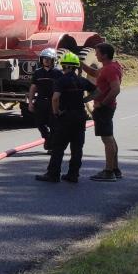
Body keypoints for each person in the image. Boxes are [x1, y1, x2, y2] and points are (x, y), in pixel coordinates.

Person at [37, 51, 96, 183]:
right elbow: (97, 91)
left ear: (63, 66)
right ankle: (73, 174)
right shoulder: (82, 80)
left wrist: (56, 112)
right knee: (77, 148)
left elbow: (55, 98)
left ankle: (53, 174)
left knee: (58, 148)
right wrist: (85, 100)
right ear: (76, 66)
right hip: (80, 118)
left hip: (65, 118)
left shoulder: (60, 81)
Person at [84, 43, 123, 181]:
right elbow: (95, 73)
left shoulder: (110, 69)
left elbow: (116, 89)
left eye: (98, 53)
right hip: (105, 108)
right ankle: (115, 169)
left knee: (107, 139)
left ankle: (108, 172)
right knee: (110, 137)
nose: (95, 55)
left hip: (105, 108)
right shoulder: (108, 67)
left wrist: (102, 103)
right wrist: (81, 64)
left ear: (105, 55)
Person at [25, 48, 60, 145]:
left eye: (49, 58)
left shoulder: (58, 73)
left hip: (53, 102)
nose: (46, 60)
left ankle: (52, 144)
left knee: (53, 124)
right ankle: (47, 137)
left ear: (53, 60)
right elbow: (33, 88)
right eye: (44, 58)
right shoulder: (37, 72)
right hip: (40, 101)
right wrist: (30, 102)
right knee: (39, 123)